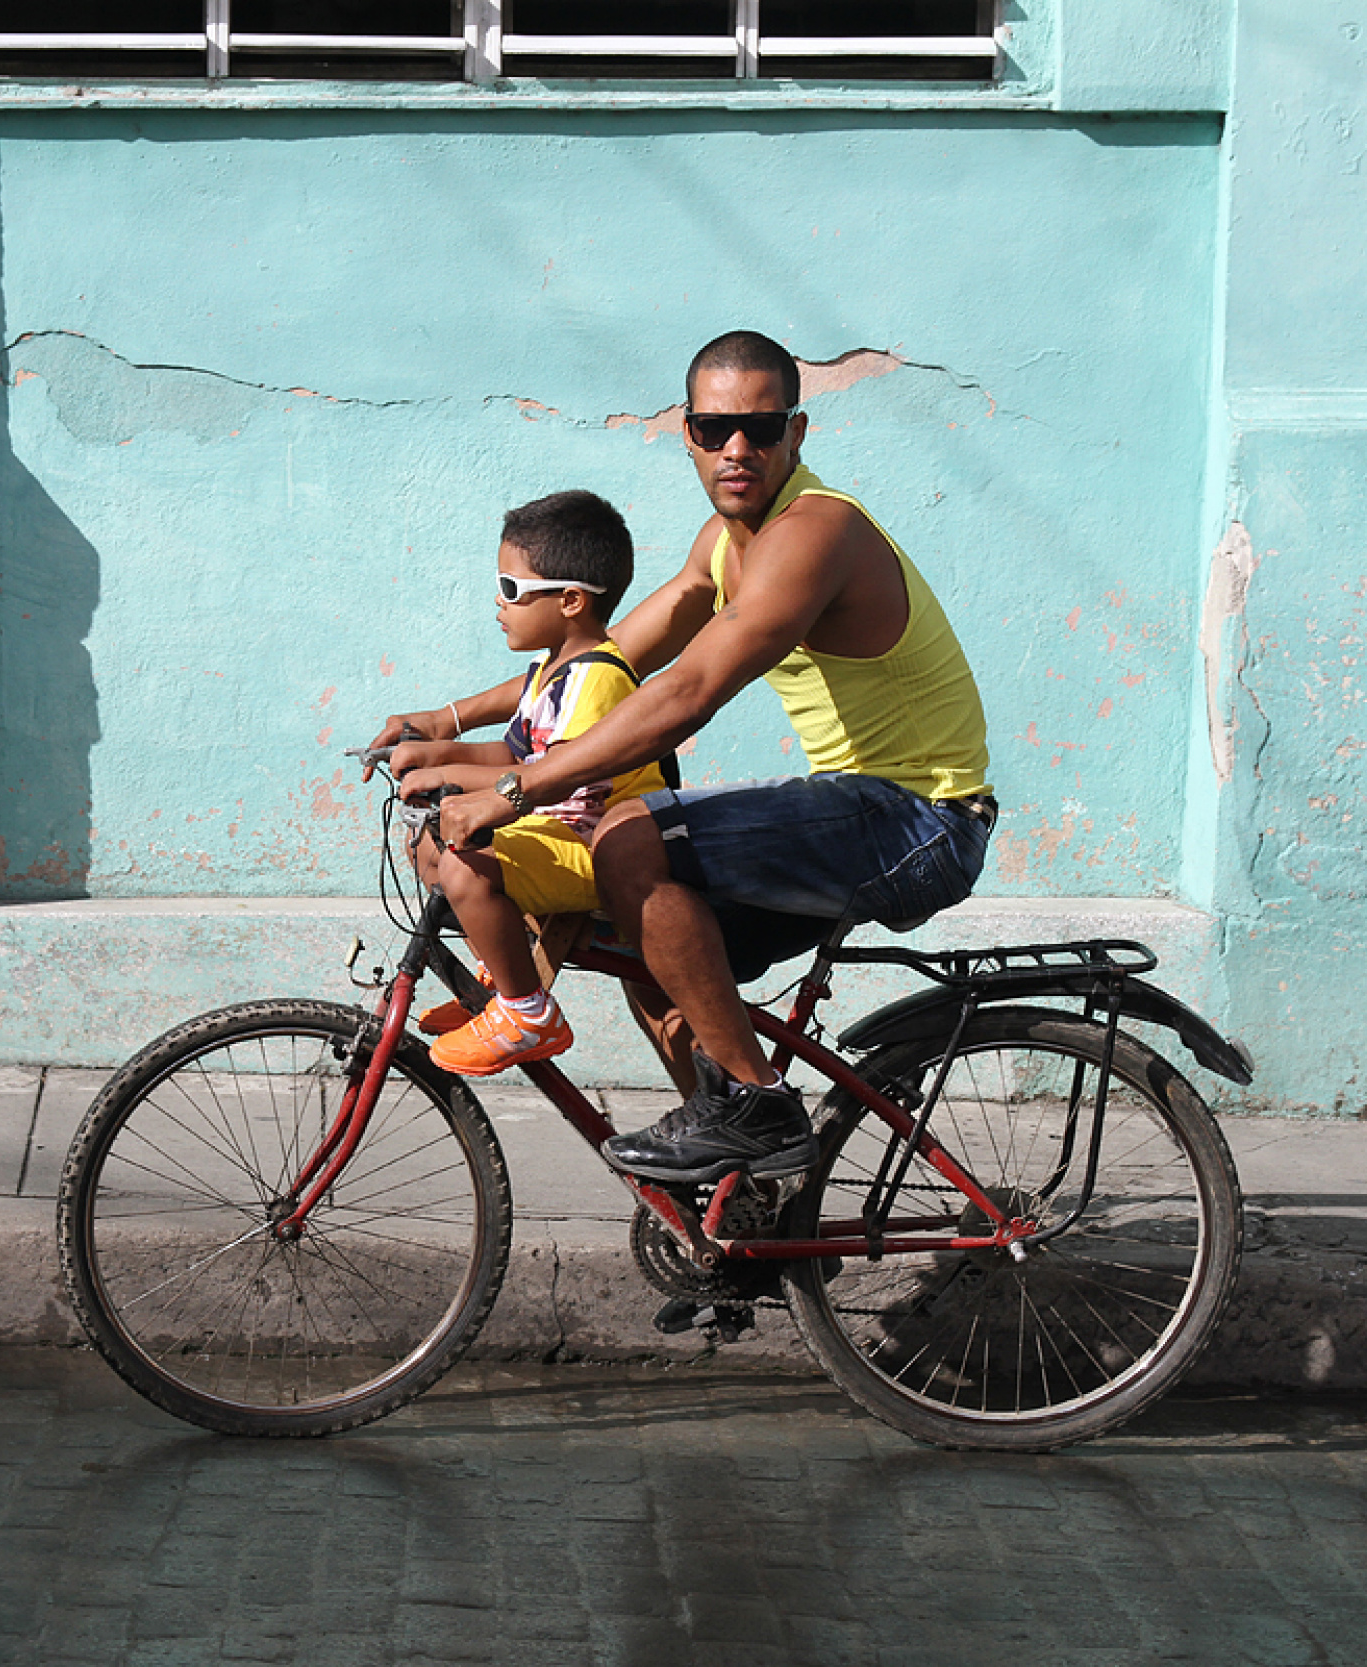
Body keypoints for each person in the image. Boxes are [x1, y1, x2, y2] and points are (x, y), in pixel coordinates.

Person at [382, 329, 995, 1185]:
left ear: (796, 433)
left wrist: (516, 789)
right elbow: (608, 660)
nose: (736, 448)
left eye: (761, 428)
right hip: (854, 808)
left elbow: (686, 693)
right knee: (642, 942)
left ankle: (755, 1106)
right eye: (714, 429)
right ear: (689, 435)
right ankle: (738, 1196)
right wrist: (446, 722)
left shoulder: (815, 532)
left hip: (917, 819)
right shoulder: (724, 541)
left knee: (631, 838)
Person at [388, 490, 669, 1077]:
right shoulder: (552, 669)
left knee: (465, 864)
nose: (499, 601)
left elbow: (547, 778)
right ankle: (504, 970)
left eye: (511, 588)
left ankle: (526, 1011)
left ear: (570, 601)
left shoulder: (597, 678)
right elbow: (513, 753)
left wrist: (447, 773)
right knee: (426, 844)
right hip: (554, 833)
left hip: (598, 849)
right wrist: (433, 750)